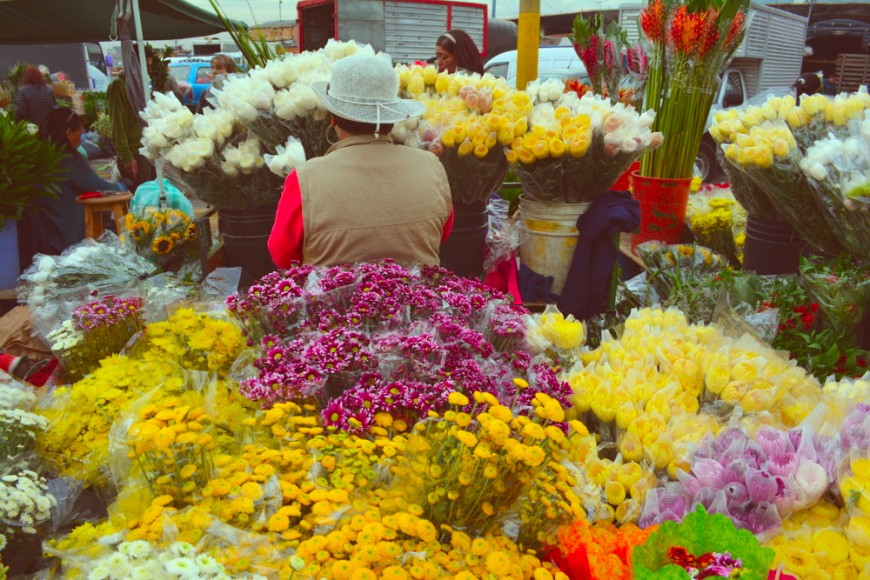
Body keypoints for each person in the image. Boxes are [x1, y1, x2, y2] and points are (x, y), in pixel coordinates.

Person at [268, 54, 454, 268]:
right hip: (418, 298)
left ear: (333, 118)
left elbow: (282, 256)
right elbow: (442, 234)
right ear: (392, 119)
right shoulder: (430, 166)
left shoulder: (304, 179)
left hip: (332, 300)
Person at [19, 108, 127, 262]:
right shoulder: (68, 159)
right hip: (69, 235)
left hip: (47, 234)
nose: (82, 138)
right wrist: (123, 186)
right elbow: (100, 187)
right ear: (69, 133)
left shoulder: (41, 155)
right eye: (80, 133)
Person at [106, 47, 155, 191]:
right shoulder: (118, 86)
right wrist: (126, 157)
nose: (149, 71)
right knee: (142, 200)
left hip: (148, 151)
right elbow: (117, 124)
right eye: (147, 66)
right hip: (135, 153)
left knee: (153, 197)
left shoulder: (141, 85)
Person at [14, 65, 56, 133]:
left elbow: (20, 113)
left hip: (32, 132)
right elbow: (54, 107)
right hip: (50, 129)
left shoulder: (22, 91)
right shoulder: (49, 89)